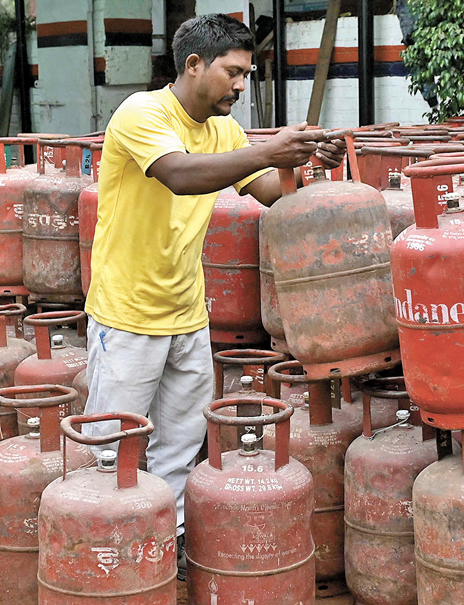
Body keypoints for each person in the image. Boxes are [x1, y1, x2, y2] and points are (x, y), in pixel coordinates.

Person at [82, 12, 346, 580]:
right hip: (127, 315)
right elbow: (179, 175)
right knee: (113, 445)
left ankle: (168, 546)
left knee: (179, 445)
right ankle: (107, 557)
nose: (241, 86)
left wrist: (305, 167)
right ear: (194, 65)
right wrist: (270, 149)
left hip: (186, 313)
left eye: (247, 74)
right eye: (233, 72)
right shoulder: (142, 113)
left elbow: (268, 192)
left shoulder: (224, 131)